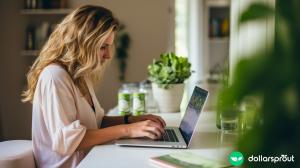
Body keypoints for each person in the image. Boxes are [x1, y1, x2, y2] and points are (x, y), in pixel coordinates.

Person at [22, 5, 166, 168]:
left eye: (109, 46)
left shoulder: (80, 74)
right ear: (83, 43)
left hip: (91, 160)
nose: (108, 55)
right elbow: (67, 141)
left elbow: (96, 124)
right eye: (102, 47)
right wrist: (129, 130)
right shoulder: (55, 77)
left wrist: (131, 120)